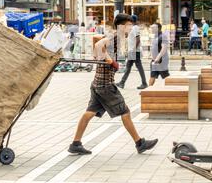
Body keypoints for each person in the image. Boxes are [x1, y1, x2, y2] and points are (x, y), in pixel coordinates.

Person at [68, 13, 158, 155]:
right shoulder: (115, 37)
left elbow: (97, 48)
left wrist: (103, 57)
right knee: (126, 112)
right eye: (129, 24)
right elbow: (98, 44)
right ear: (121, 26)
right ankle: (139, 143)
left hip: (98, 83)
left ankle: (75, 143)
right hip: (105, 85)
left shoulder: (119, 38)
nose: (131, 27)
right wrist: (110, 60)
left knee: (89, 113)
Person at [116, 15, 148, 90]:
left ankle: (144, 83)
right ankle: (122, 82)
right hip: (133, 50)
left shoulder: (135, 27)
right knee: (129, 67)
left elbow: (138, 39)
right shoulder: (132, 28)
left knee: (137, 67)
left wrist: (133, 49)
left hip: (134, 51)